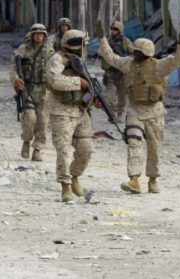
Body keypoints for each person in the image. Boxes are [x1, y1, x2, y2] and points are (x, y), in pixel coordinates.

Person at [97, 20, 180, 194]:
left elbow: (179, 60)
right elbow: (110, 57)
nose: (134, 55)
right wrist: (102, 38)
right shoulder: (128, 64)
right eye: (134, 52)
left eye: (137, 52)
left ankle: (153, 180)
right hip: (134, 110)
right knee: (133, 143)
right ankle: (134, 179)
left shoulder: (159, 66)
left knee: (154, 148)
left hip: (154, 112)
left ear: (146, 53)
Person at [45, 29, 93, 202]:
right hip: (61, 110)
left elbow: (88, 85)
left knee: (86, 148)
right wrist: (78, 82)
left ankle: (74, 176)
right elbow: (54, 81)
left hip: (80, 110)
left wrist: (93, 97)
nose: (85, 48)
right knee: (64, 151)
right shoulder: (57, 60)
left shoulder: (79, 61)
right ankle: (65, 186)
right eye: (83, 45)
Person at [10, 23, 55, 161]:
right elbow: (13, 68)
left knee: (42, 122)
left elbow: (55, 68)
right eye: (37, 34)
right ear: (32, 35)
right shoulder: (22, 50)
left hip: (44, 90)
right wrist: (16, 80)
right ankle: (26, 141)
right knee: (30, 119)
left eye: (41, 34)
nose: (39, 36)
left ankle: (37, 150)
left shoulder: (49, 51)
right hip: (27, 89)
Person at [100, 20, 134, 123]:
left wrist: (125, 59)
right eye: (112, 29)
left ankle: (119, 114)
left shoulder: (126, 42)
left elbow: (132, 53)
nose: (112, 31)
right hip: (111, 72)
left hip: (122, 73)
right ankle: (111, 115)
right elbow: (101, 52)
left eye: (115, 29)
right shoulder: (108, 41)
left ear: (120, 31)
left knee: (122, 96)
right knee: (111, 97)